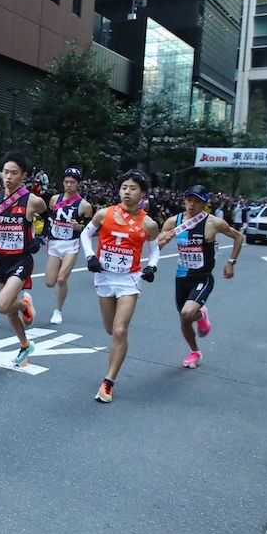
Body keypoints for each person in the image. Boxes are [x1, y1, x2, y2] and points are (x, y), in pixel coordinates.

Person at [80, 169, 161, 403]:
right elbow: (85, 235)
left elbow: (154, 249)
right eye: (124, 187)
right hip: (105, 277)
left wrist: (152, 267)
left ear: (143, 193)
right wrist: (90, 256)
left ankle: (108, 381)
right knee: (110, 329)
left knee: (120, 330)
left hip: (129, 279)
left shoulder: (148, 223)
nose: (127, 192)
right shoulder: (104, 214)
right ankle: (117, 351)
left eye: (133, 188)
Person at [156, 184, 243, 369]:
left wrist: (231, 262)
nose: (191, 204)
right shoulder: (173, 222)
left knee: (187, 312)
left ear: (204, 204)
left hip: (203, 277)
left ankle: (200, 314)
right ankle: (194, 351)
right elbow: (156, 247)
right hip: (181, 277)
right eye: (189, 200)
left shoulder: (214, 223)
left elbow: (238, 237)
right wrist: (163, 241)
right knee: (185, 318)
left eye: (196, 201)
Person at [0, 153, 47, 366]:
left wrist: (39, 238)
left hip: (21, 260)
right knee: (10, 312)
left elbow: (48, 218)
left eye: (14, 173)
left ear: (23, 176)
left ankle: (24, 305)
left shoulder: (32, 201)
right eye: (6, 172)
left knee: (2, 305)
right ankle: (25, 345)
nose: (9, 177)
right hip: (1, 258)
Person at [43, 167, 94, 324]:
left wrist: (79, 227)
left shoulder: (84, 206)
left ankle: (58, 310)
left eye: (72, 182)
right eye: (66, 182)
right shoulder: (54, 200)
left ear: (78, 184)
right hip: (55, 243)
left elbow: (89, 229)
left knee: (61, 279)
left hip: (71, 244)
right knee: (49, 282)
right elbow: (49, 219)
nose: (69, 185)